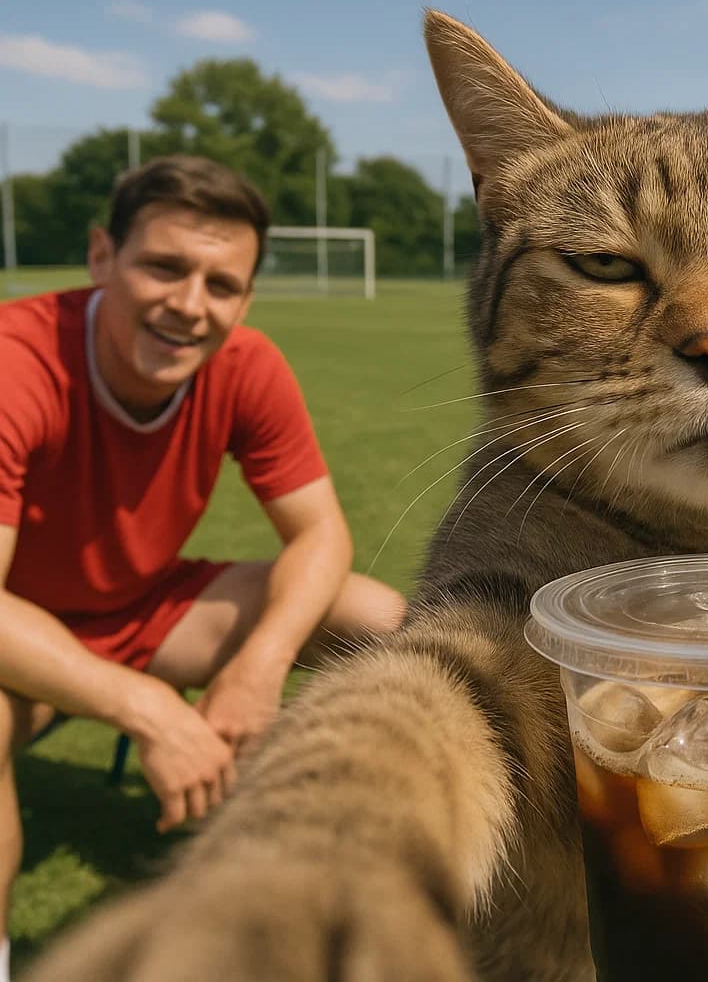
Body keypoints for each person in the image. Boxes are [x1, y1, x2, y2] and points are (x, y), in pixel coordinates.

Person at [0, 155, 405, 978]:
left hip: (146, 605)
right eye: (164, 267)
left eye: (222, 284)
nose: (190, 306)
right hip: (22, 627)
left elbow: (321, 533)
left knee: (380, 621)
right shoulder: (18, 362)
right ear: (101, 256)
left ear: (247, 298)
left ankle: (395, 871)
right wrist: (152, 711)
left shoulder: (246, 365)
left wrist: (258, 670)